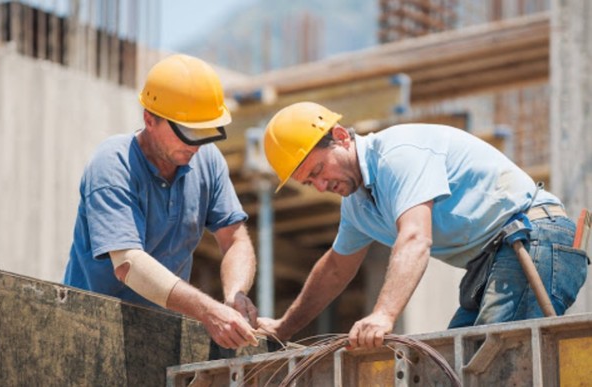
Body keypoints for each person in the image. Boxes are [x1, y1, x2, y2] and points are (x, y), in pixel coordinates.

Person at [257, 101, 588, 349]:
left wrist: (383, 315)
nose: (319, 185)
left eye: (318, 170)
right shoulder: (358, 206)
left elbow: (415, 237)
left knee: (494, 362)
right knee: (450, 366)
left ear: (341, 137)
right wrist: (283, 329)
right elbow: (334, 270)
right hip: (497, 260)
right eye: (308, 182)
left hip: (536, 239)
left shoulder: (397, 155)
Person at [63, 54, 258, 349]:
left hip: (161, 335)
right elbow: (128, 264)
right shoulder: (113, 164)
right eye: (187, 132)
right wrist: (207, 310)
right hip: (89, 331)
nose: (196, 144)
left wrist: (235, 295)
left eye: (204, 132)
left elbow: (235, 240)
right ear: (149, 120)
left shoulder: (208, 160)